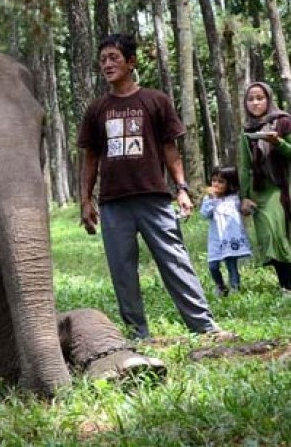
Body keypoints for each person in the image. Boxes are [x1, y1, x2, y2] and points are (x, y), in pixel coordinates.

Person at [78, 33, 233, 340]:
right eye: (103, 59)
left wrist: (182, 188)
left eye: (114, 58)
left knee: (175, 261)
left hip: (154, 198)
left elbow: (169, 149)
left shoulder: (155, 101)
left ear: (131, 62)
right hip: (113, 203)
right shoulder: (97, 109)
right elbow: (91, 158)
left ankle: (204, 326)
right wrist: (85, 200)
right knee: (122, 272)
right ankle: (138, 335)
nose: (107, 64)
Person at [239, 81, 291, 293]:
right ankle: (284, 285)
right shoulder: (247, 130)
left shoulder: (284, 122)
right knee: (267, 238)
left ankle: (288, 285)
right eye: (251, 99)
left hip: (282, 186)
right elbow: (244, 166)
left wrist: (278, 142)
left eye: (260, 98)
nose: (255, 103)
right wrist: (244, 196)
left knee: (279, 235)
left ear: (268, 99)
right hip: (259, 189)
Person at [200, 166, 251, 296]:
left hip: (230, 238)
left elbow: (245, 211)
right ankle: (220, 285)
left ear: (230, 184)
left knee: (231, 265)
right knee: (213, 266)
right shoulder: (209, 199)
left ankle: (235, 288)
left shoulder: (234, 199)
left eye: (221, 181)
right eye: (214, 180)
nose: (216, 184)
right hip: (216, 239)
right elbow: (205, 214)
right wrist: (212, 199)